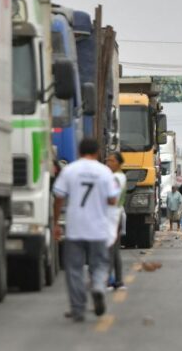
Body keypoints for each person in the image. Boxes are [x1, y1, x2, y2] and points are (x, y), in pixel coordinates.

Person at [53, 138, 120, 322]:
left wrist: (56, 223)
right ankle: (98, 286)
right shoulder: (105, 172)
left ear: (79, 152)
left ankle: (78, 309)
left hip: (75, 228)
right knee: (98, 264)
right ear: (98, 152)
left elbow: (59, 196)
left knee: (74, 269)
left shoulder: (69, 170)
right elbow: (113, 200)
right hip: (98, 229)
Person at [105, 152, 127, 291]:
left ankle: (111, 281)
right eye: (107, 160)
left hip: (113, 216)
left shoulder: (115, 178)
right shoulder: (120, 176)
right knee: (114, 251)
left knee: (110, 250)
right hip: (116, 215)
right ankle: (117, 280)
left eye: (112, 161)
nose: (108, 163)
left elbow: (111, 198)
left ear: (118, 163)